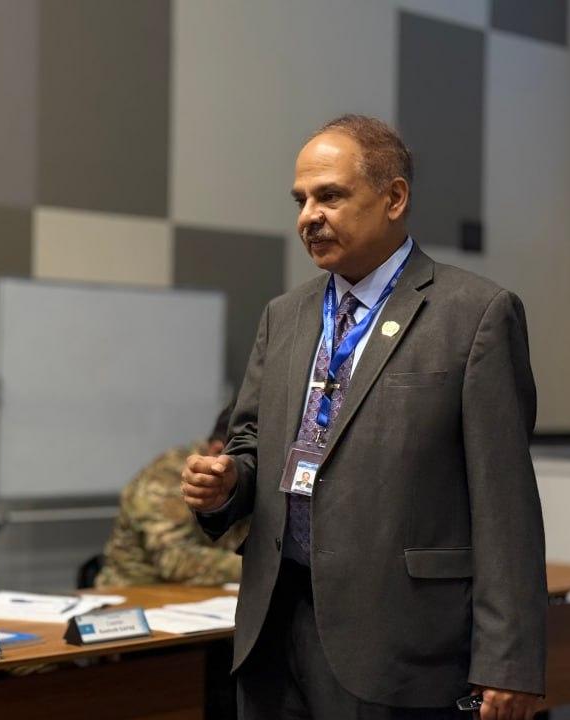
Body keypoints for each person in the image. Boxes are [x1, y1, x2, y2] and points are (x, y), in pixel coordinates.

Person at [182, 115, 547, 720]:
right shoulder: (284, 315)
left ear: (394, 198)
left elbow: (505, 502)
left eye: (329, 196)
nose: (308, 216)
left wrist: (510, 660)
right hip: (273, 626)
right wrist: (226, 484)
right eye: (300, 201)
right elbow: (251, 442)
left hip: (398, 641)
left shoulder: (475, 315)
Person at [96, 404, 250, 588]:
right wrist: (261, 567)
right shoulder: (166, 477)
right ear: (218, 450)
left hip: (212, 593)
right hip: (137, 591)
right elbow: (173, 560)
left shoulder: (253, 479)